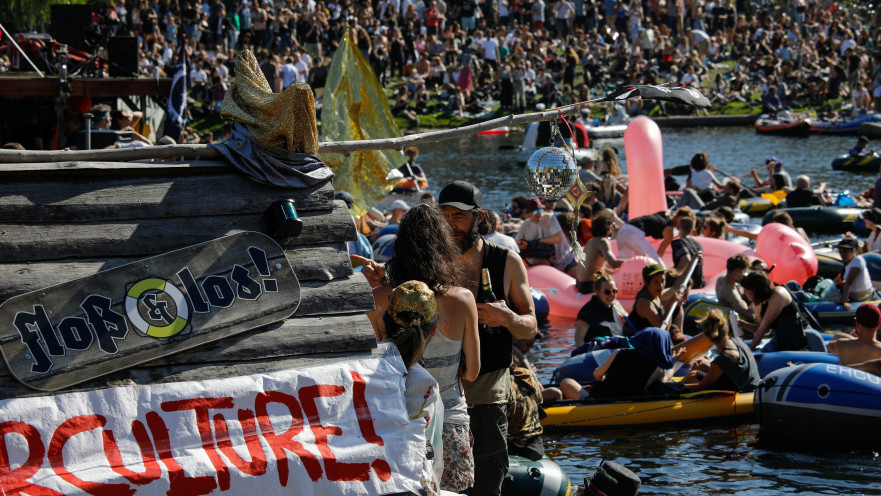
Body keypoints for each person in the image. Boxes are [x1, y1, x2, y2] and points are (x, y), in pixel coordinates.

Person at [363, 204, 480, 493]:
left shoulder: (379, 300)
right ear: (442, 247)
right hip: (449, 420)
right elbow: (473, 371)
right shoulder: (463, 299)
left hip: (394, 422)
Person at [432, 180, 538, 496]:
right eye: (445, 216)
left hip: (488, 389)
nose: (451, 224)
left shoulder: (506, 261)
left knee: (489, 478)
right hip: (441, 391)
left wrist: (507, 318)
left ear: (479, 218)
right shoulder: (431, 261)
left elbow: (530, 327)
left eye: (459, 216)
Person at [382, 280, 444, 496]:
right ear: (434, 329)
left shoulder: (363, 369)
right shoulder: (424, 383)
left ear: (385, 322)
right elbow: (426, 453)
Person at [560, 327, 681, 399]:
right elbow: (666, 378)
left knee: (566, 382)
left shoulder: (619, 353)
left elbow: (597, 374)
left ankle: (584, 403)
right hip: (625, 404)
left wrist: (604, 379)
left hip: (600, 399)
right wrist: (674, 361)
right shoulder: (657, 369)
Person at [682, 309, 760, 392]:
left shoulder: (723, 358)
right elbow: (731, 368)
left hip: (743, 392)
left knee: (692, 376)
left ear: (707, 336)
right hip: (751, 385)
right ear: (726, 330)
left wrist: (676, 386)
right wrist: (709, 363)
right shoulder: (739, 342)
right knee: (701, 368)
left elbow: (701, 386)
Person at [740, 270, 808, 352]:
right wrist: (745, 325)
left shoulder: (778, 294)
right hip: (781, 338)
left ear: (758, 289)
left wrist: (749, 351)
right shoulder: (758, 302)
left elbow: (762, 329)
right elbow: (766, 330)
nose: (745, 292)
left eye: (748, 289)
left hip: (801, 334)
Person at [515, 197, 577, 276]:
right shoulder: (525, 226)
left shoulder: (549, 218)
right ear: (528, 214)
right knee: (529, 260)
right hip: (548, 262)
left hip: (565, 259)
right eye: (535, 211)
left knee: (579, 280)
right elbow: (517, 243)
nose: (539, 213)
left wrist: (539, 241)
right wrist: (523, 244)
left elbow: (559, 238)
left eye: (540, 210)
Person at [616, 208, 692, 267]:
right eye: (685, 222)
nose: (684, 226)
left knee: (626, 266)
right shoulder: (669, 232)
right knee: (658, 265)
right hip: (634, 233)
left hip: (623, 229)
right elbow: (659, 255)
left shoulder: (665, 213)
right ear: (680, 218)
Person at [576, 211, 625, 294]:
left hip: (579, 283)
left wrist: (612, 271)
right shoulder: (603, 241)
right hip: (589, 286)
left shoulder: (590, 241)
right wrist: (632, 260)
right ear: (610, 228)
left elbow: (597, 266)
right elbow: (613, 263)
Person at [575, 272, 625, 346]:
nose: (611, 295)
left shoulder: (613, 308)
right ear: (597, 292)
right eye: (607, 292)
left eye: (614, 291)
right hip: (597, 355)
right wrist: (586, 356)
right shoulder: (588, 311)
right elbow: (579, 337)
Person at [830, 237, 876, 309]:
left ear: (854, 250)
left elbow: (848, 282)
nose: (842, 254)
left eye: (845, 252)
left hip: (864, 297)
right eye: (840, 252)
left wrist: (845, 301)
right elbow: (838, 278)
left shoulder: (857, 261)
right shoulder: (848, 263)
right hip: (855, 296)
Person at [716, 254, 756, 322]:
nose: (744, 276)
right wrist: (756, 297)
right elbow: (751, 315)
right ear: (737, 271)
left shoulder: (721, 279)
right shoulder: (730, 292)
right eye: (744, 273)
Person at [670, 214, 705, 289]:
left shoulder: (677, 243)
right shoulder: (698, 245)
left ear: (679, 228)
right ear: (693, 230)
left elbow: (686, 259)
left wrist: (673, 276)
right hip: (699, 283)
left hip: (687, 284)